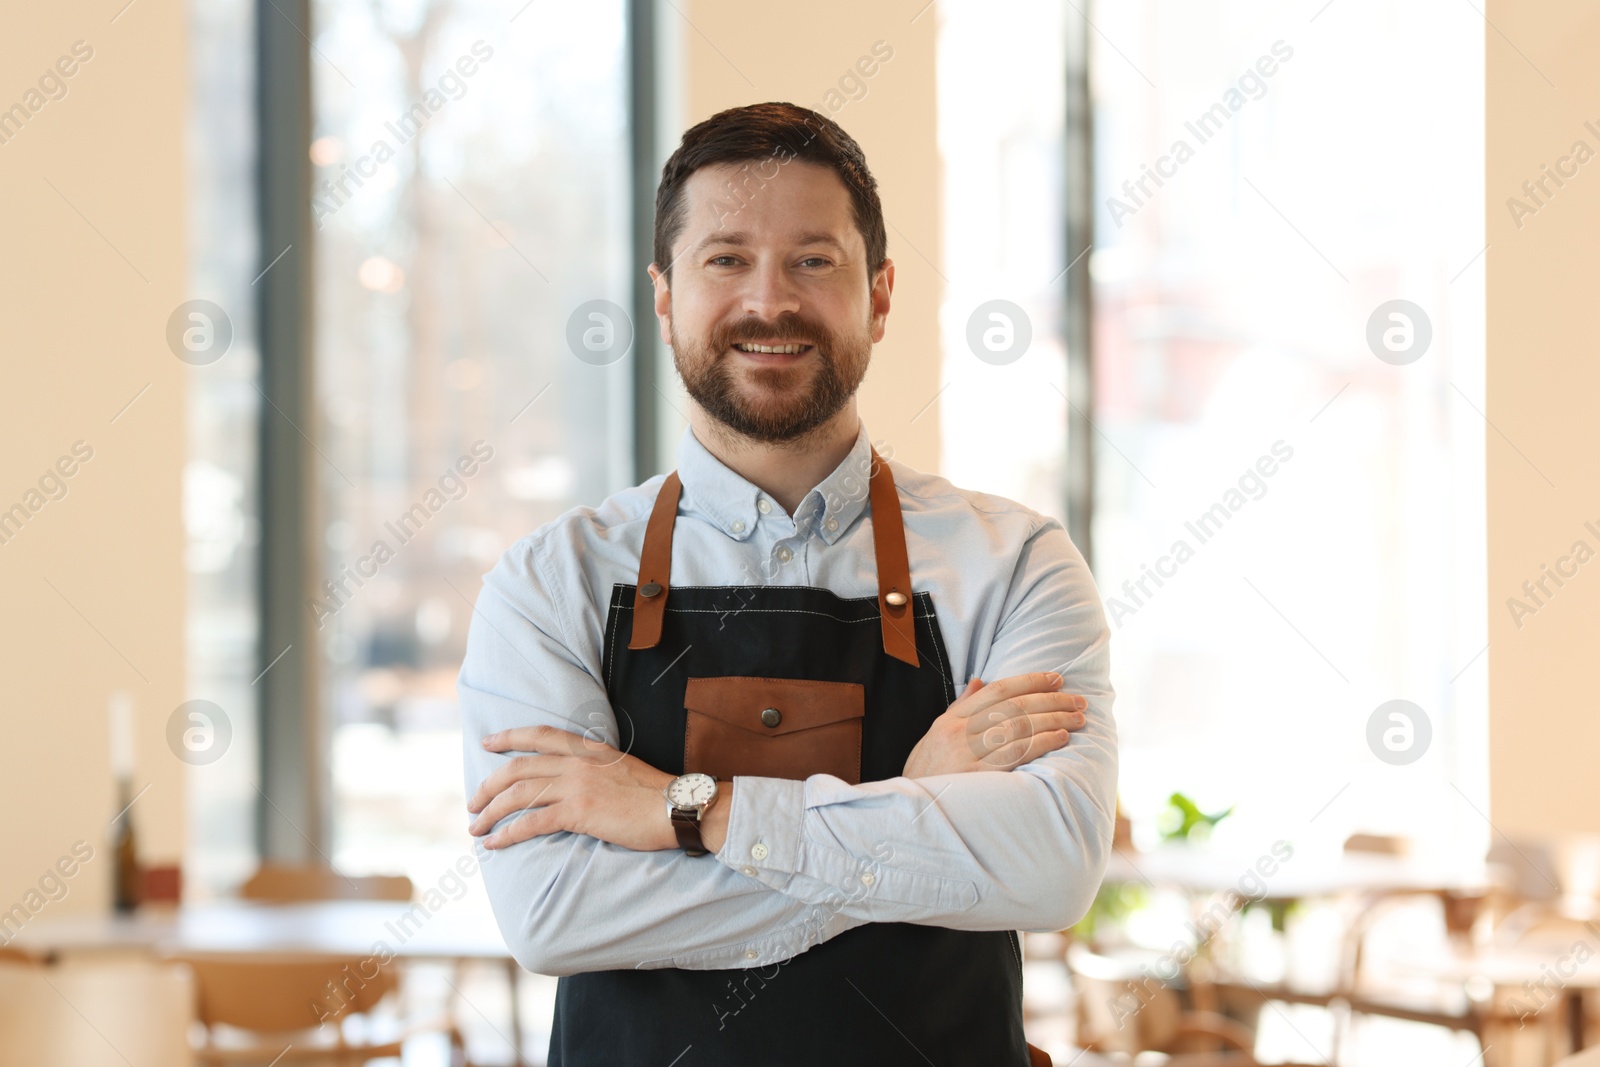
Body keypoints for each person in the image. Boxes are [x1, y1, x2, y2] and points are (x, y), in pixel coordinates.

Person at [459, 101, 1117, 1067]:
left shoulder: (1015, 562)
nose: (770, 301)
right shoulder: (550, 581)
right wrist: (910, 804)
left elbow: (1050, 867)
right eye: (726, 258)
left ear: (881, 295)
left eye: (815, 260)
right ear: (665, 296)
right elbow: (557, 915)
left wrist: (685, 810)